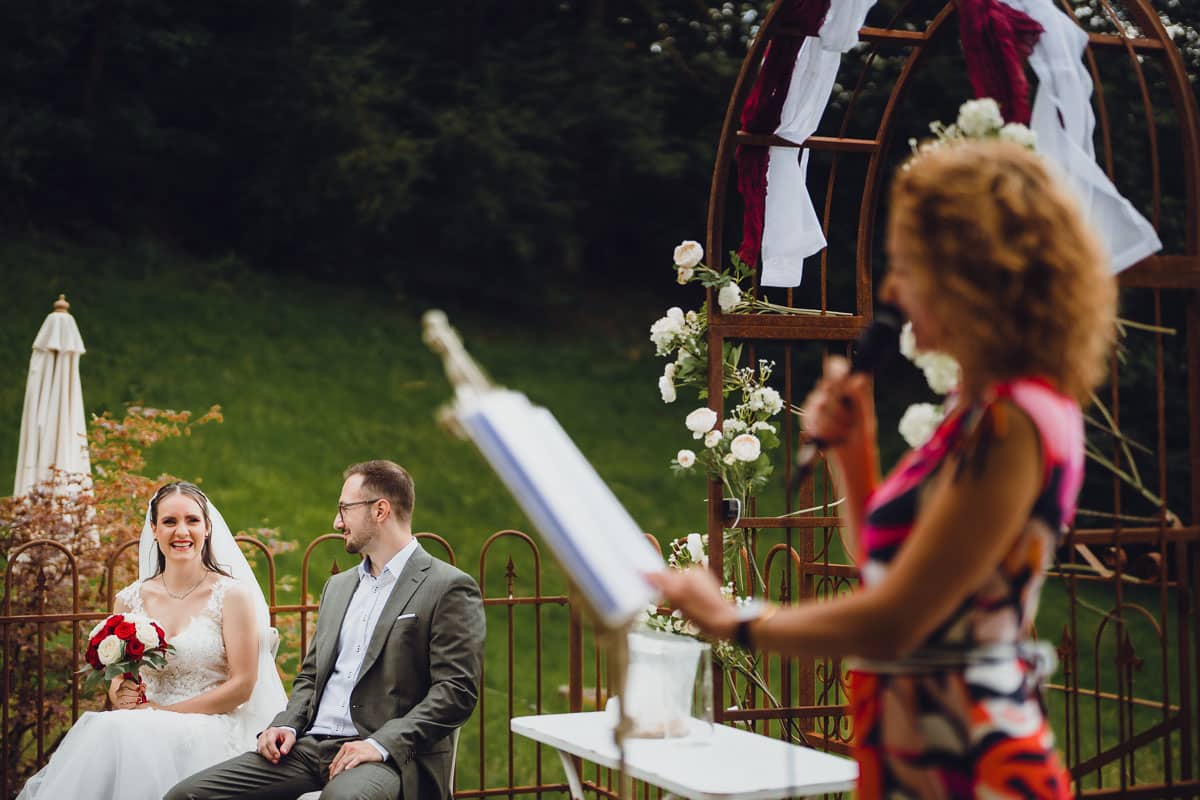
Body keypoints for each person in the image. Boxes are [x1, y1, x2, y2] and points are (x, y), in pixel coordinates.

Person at [648, 140, 1116, 799]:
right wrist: (854, 452)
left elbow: (899, 618)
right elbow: (892, 566)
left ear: (967, 274)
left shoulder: (1014, 421)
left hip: (970, 764)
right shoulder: (979, 410)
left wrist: (734, 620)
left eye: (906, 265)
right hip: (919, 754)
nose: (892, 289)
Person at [168, 459, 486, 800]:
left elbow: (456, 692)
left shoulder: (447, 587)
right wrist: (286, 723)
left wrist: (380, 744)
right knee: (186, 796)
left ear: (380, 510)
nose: (337, 522)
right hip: (308, 749)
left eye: (345, 509)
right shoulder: (338, 587)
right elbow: (311, 676)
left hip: (388, 757)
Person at [18, 482, 288, 800]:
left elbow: (242, 685)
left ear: (207, 528)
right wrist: (121, 694)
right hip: (140, 723)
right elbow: (117, 682)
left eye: (192, 520)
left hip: (208, 725)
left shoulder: (231, 595)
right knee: (111, 728)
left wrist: (165, 712)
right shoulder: (130, 599)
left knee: (120, 731)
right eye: (169, 521)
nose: (181, 531)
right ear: (154, 529)